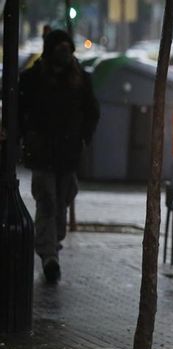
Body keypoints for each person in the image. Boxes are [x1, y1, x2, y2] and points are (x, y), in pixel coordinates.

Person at [19, 29, 100, 283]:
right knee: (47, 201)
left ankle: (52, 243)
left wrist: (84, 137)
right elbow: (21, 110)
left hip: (68, 154)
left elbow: (92, 111)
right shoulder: (33, 79)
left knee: (63, 200)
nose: (64, 55)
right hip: (43, 153)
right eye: (59, 49)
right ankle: (48, 255)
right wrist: (27, 135)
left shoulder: (79, 80)